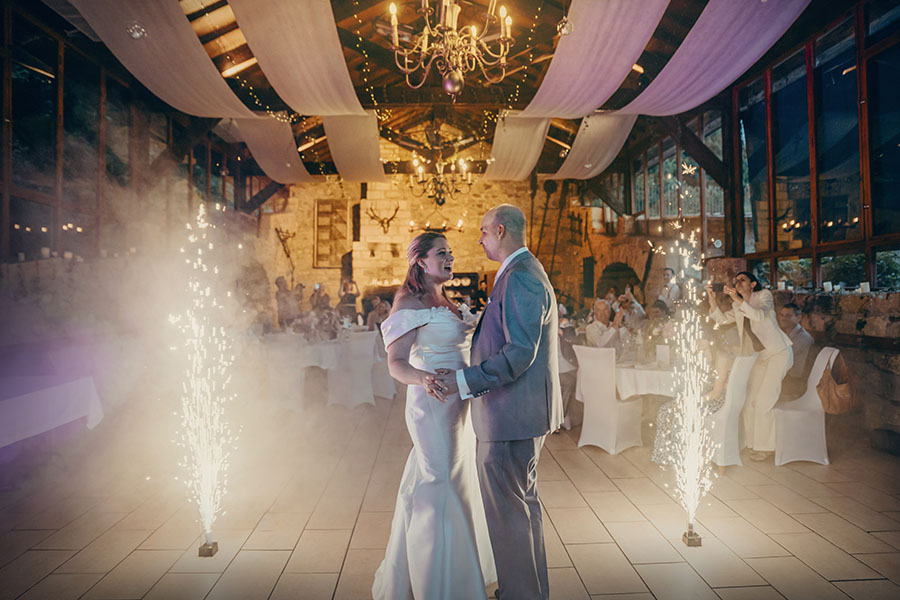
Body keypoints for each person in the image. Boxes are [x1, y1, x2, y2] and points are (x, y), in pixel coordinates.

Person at [432, 204, 562, 600]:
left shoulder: (521, 277)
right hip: (518, 415)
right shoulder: (523, 272)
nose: (479, 238)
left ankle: (521, 595)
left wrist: (462, 381)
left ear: (501, 231)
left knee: (509, 518)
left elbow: (519, 352)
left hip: (510, 416)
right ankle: (527, 592)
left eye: (484, 231)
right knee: (522, 512)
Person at [373, 233, 495, 600]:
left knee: (456, 481)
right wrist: (423, 377)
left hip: (460, 405)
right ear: (420, 261)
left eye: (451, 252)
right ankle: (437, 583)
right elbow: (395, 364)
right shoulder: (407, 302)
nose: (450, 257)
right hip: (432, 404)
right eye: (442, 252)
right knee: (438, 484)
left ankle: (448, 573)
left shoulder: (448, 300)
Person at [707, 272, 793, 462]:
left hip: (778, 353)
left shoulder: (764, 297)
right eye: (735, 281)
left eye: (742, 280)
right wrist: (712, 300)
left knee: (764, 401)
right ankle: (752, 443)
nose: (737, 283)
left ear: (753, 284)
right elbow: (721, 320)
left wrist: (736, 298)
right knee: (750, 400)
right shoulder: (737, 305)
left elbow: (758, 315)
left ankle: (765, 448)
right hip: (760, 356)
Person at [778, 302, 814, 397]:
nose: (783, 318)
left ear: (798, 318)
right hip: (785, 377)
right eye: (782, 315)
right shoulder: (786, 334)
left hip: (794, 382)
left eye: (788, 316)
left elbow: (784, 358)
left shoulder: (803, 337)